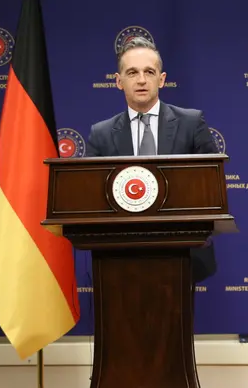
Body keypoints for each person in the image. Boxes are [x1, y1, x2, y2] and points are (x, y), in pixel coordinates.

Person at [85, 36, 218, 284]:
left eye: (149, 71)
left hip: (182, 254)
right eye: (132, 72)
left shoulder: (191, 123)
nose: (142, 80)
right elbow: (87, 198)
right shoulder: (101, 134)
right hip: (118, 255)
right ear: (118, 81)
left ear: (162, 79)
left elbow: (210, 186)